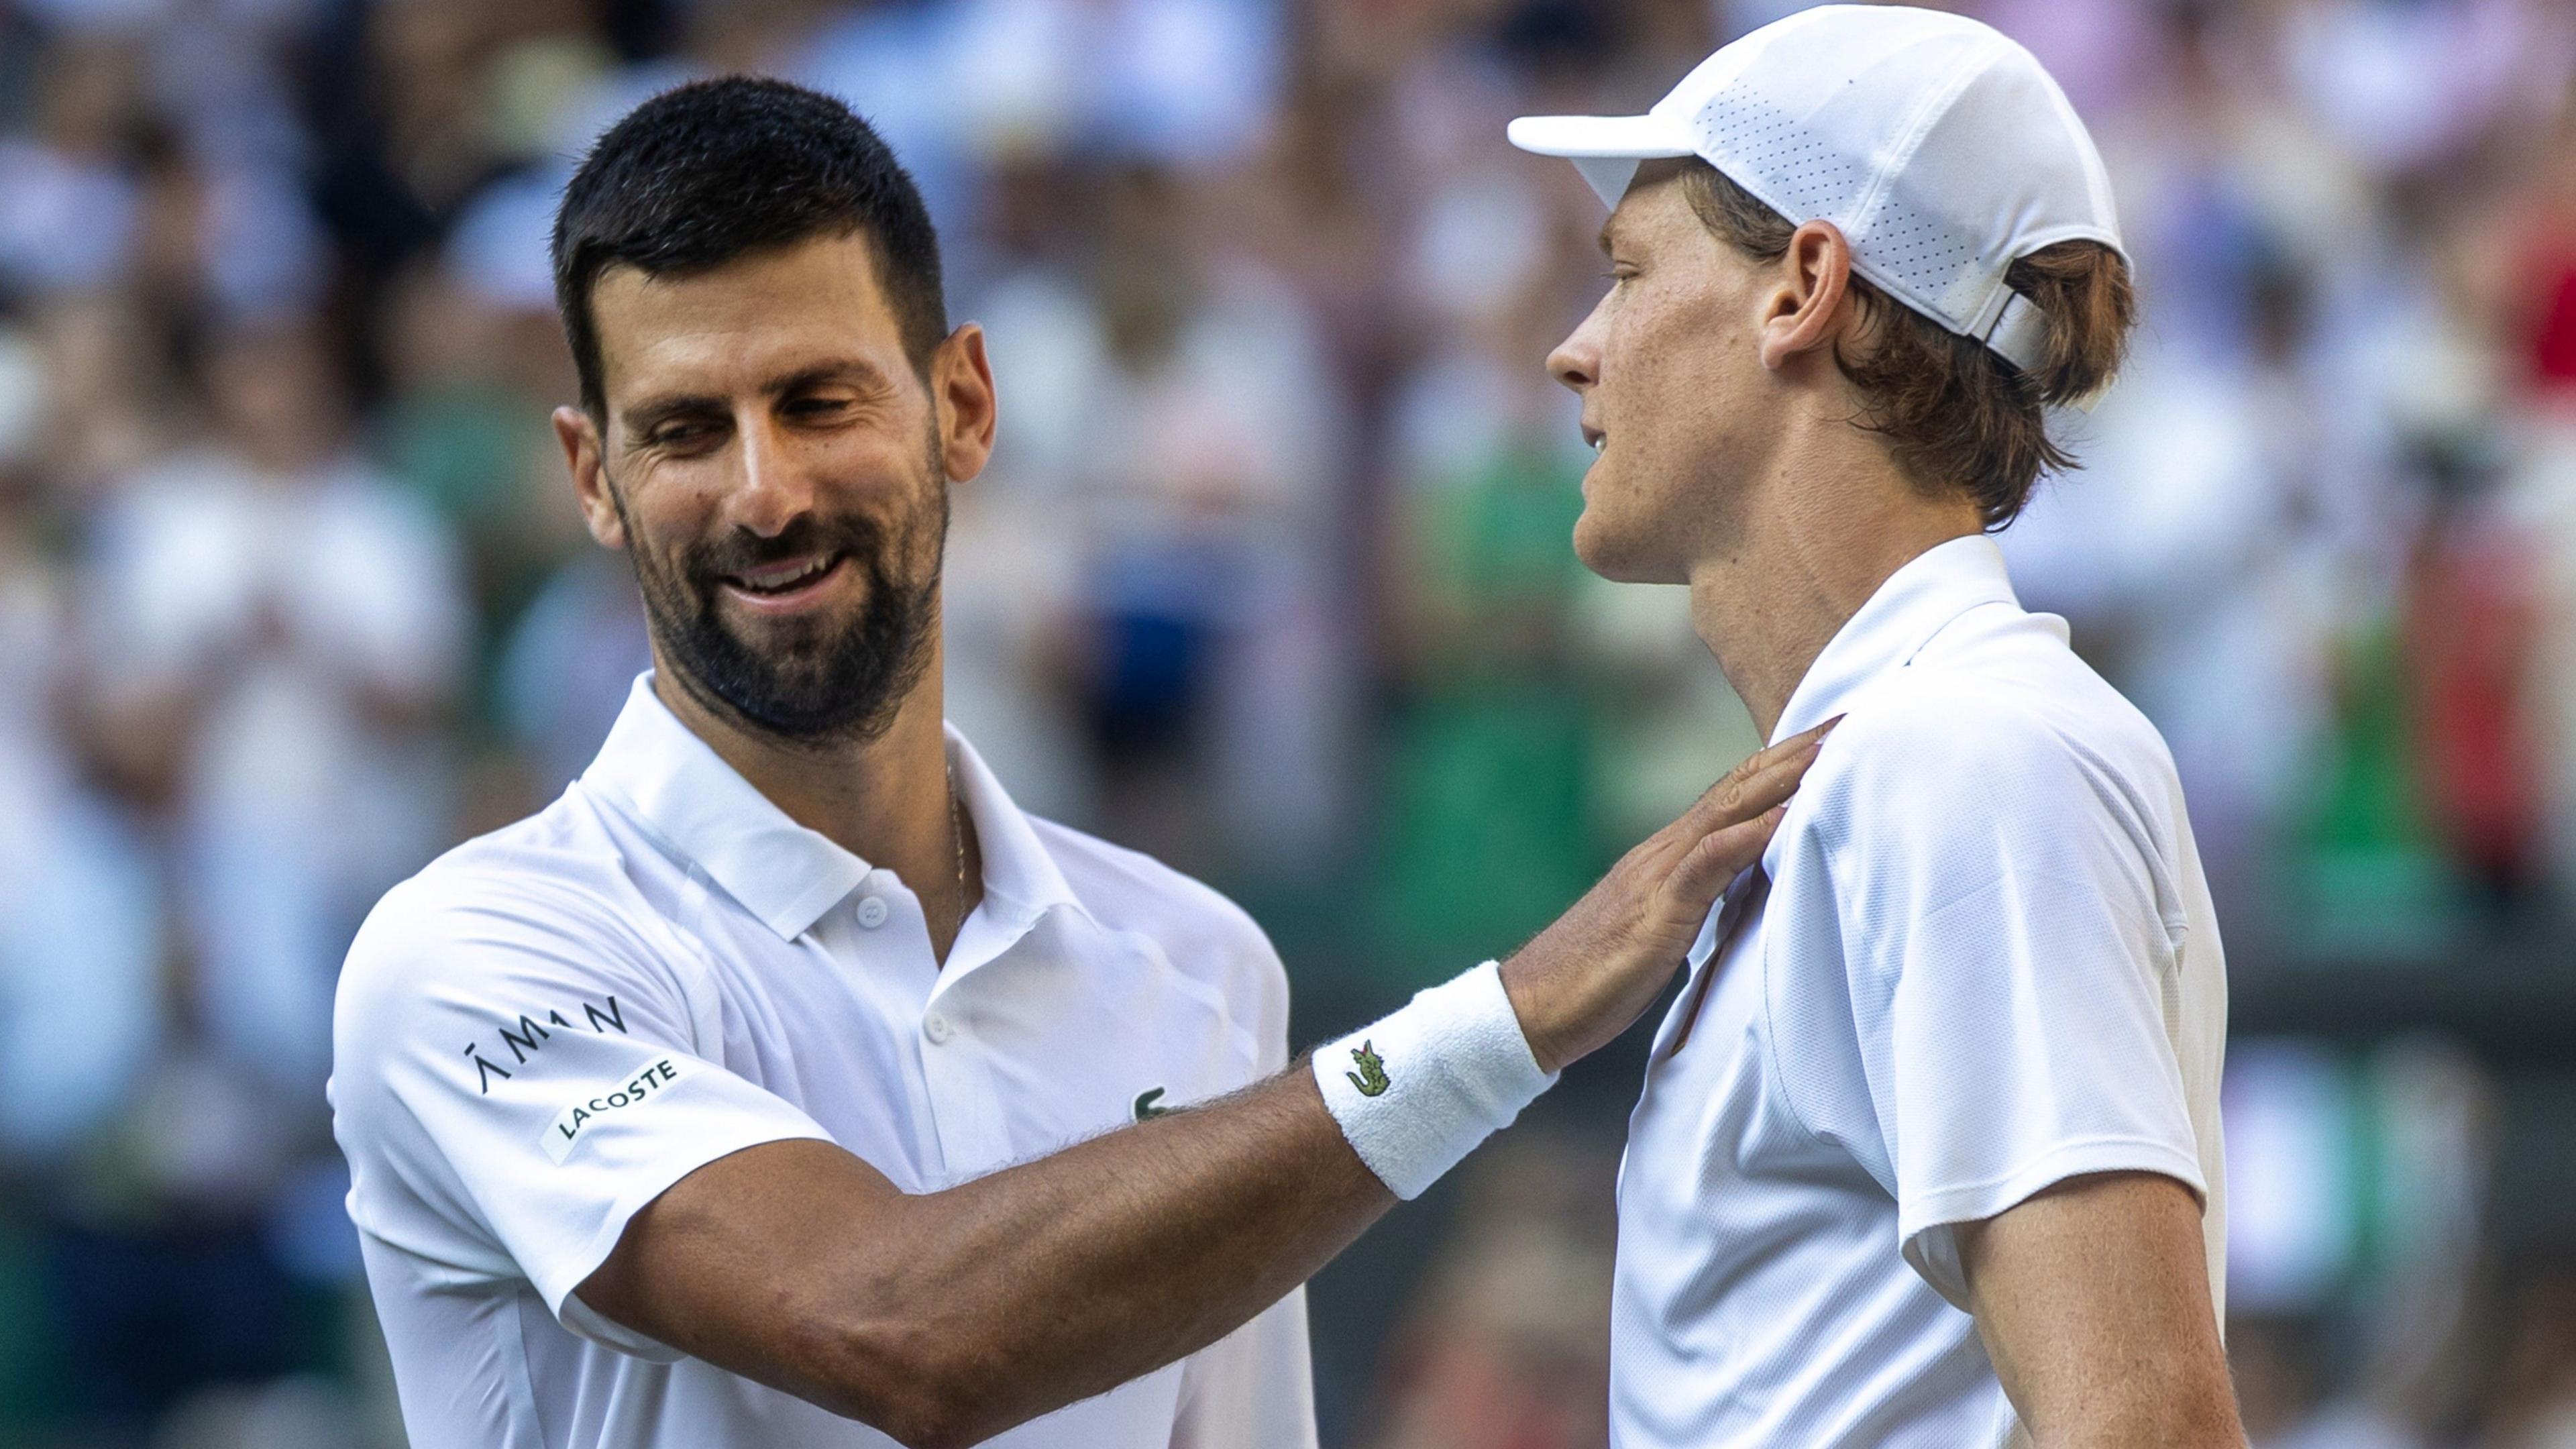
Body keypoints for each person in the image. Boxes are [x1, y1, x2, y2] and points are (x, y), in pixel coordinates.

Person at [327, 76, 1823, 1449]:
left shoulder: (1196, 963)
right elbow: (903, 1330)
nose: (763, 491)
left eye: (818, 402)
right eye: (684, 432)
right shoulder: (472, 957)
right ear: (596, 477)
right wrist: (1514, 1018)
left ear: (963, 406)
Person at [1507, 7, 2241, 1446]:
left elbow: (2141, 1424)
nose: (1572, 353)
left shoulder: (1969, 758)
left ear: (1803, 290)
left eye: (1628, 274)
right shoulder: (1928, 751)